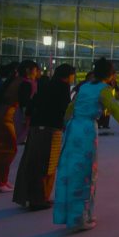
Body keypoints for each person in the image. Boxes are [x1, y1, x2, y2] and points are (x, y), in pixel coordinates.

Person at [54, 58, 119, 231]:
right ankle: (79, 218)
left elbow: (70, 108)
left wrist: (66, 125)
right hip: (87, 130)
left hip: (73, 129)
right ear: (111, 75)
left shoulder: (85, 86)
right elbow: (115, 109)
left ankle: (72, 215)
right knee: (86, 172)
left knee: (70, 170)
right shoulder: (104, 90)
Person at [13, 64, 75, 210]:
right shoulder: (62, 87)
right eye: (72, 75)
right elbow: (64, 108)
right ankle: (38, 199)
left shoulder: (46, 85)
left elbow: (32, 103)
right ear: (67, 75)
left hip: (36, 128)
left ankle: (30, 197)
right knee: (46, 164)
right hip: (50, 128)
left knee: (32, 162)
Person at [0, 63, 25, 192]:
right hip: (3, 118)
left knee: (2, 149)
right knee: (5, 150)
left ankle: (0, 180)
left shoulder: (4, 84)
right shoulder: (14, 84)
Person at [14, 60, 39, 144]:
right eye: (35, 70)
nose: (36, 73)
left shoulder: (20, 81)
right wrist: (25, 115)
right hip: (24, 113)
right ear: (28, 70)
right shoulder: (26, 83)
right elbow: (24, 101)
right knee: (21, 135)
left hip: (22, 112)